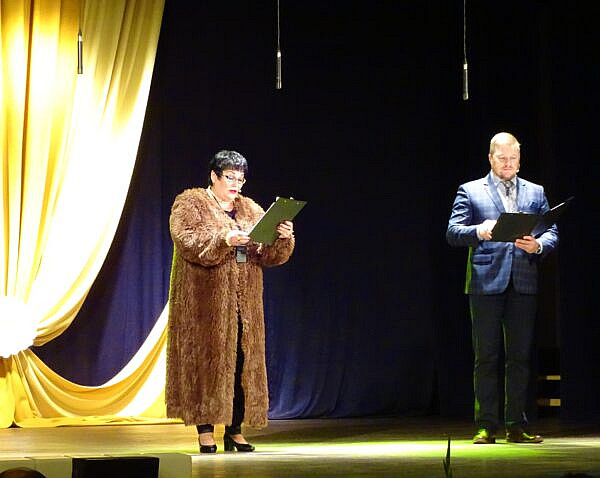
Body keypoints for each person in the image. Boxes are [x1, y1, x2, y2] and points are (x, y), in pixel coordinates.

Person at [166, 150, 295, 453]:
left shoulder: (249, 208)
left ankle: (234, 430)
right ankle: (205, 430)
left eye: (241, 179)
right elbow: (187, 240)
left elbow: (269, 255)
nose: (236, 184)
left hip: (244, 303)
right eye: (230, 177)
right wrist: (224, 239)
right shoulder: (191, 203)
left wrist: (281, 237)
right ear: (214, 176)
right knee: (206, 362)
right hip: (204, 302)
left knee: (241, 363)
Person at [446, 132, 558, 444]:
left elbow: (551, 230)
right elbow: (453, 232)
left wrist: (538, 245)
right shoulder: (470, 190)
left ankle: (516, 425)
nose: (508, 164)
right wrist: (479, 231)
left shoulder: (535, 191)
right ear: (491, 158)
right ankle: (485, 425)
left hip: (522, 280)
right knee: (486, 356)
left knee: (519, 357)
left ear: (519, 160)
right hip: (485, 283)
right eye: (502, 158)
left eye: (513, 159)